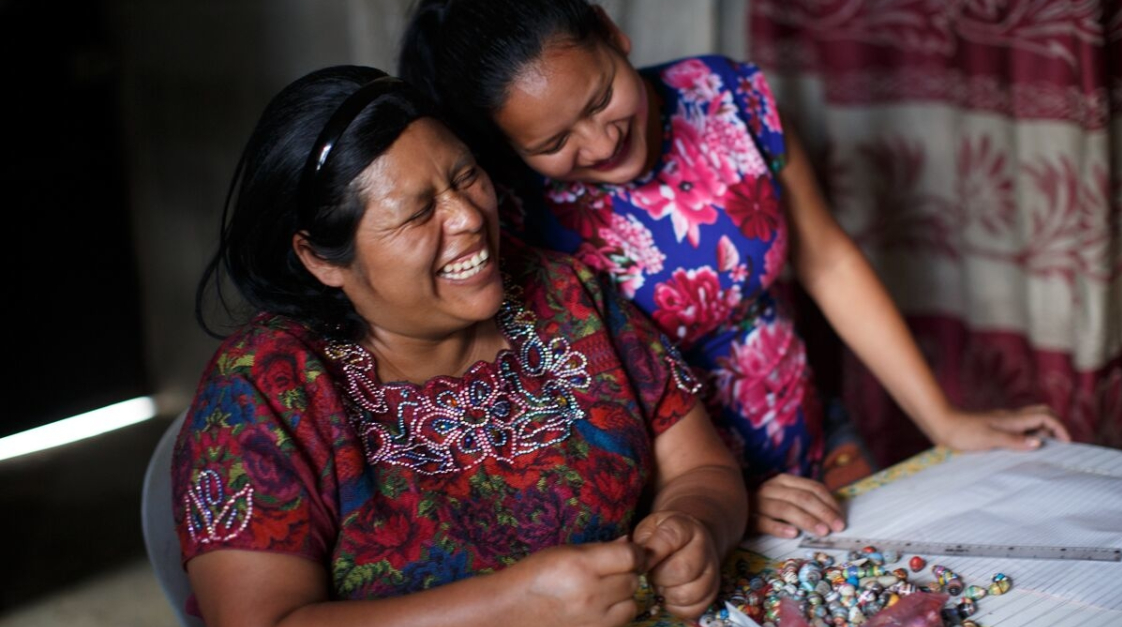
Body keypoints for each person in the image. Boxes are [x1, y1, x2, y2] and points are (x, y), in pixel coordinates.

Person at [397, 0, 1071, 541]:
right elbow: (559, 409)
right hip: (669, 505)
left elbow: (827, 259)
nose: (601, 141)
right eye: (553, 142)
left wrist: (944, 418)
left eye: (601, 97)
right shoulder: (509, 212)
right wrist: (709, 503)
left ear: (611, 33)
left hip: (807, 434)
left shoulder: (729, 97)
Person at [174, 65, 748, 627]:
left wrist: (692, 527)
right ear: (321, 257)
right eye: (420, 213)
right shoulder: (265, 388)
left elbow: (700, 467)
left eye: (467, 176)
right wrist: (512, 610)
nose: (470, 217)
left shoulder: (567, 297)